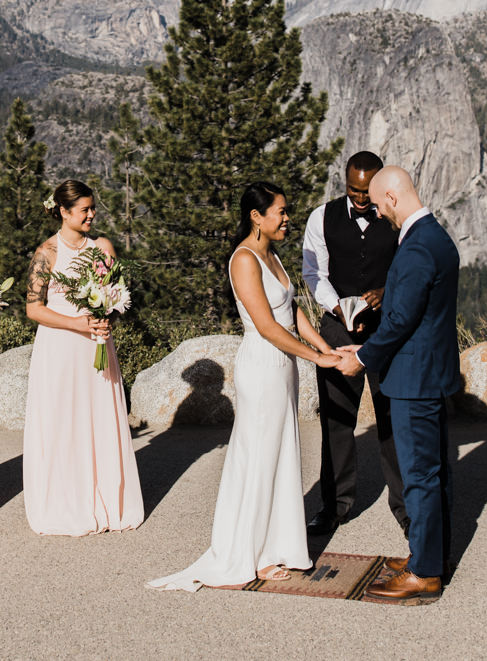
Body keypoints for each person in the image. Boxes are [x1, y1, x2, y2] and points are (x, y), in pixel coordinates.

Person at [149, 182, 345, 590]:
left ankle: (277, 545)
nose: (287, 218)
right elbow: (268, 327)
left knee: (280, 453)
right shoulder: (243, 260)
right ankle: (251, 553)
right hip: (261, 366)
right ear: (256, 217)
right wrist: (318, 359)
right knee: (258, 455)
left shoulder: (271, 253)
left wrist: (328, 347)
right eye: (280, 212)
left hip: (284, 367)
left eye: (287, 211)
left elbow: (291, 312)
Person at [339, 165, 461, 605]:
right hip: (431, 370)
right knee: (433, 470)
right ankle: (431, 554)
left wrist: (363, 357)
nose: (377, 213)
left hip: (414, 377)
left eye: (377, 204)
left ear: (391, 197)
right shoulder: (436, 237)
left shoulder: (416, 248)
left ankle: (425, 573)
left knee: (419, 475)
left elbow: (401, 319)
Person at [21, 179, 145, 535]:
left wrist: (108, 314)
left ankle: (105, 499)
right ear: (63, 211)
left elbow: (117, 293)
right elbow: (33, 309)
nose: (92, 215)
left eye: (93, 208)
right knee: (64, 422)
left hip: (96, 343)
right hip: (60, 348)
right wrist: (76, 323)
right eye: (84, 210)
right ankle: (67, 501)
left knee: (98, 419)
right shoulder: (46, 253)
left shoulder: (102, 246)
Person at [300, 149, 405, 536]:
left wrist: (386, 290)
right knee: (337, 419)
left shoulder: (395, 216)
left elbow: (409, 265)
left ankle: (406, 506)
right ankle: (335, 505)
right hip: (337, 329)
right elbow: (314, 273)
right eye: (353, 190)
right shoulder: (321, 217)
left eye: (366, 192)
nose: (360, 199)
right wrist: (336, 307)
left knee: (393, 416)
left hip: (387, 329)